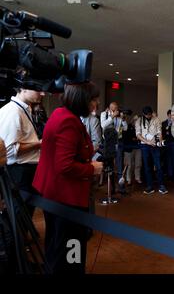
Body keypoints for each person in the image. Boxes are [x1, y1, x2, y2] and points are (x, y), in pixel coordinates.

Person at [33, 82, 103, 274]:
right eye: (93, 99)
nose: (96, 103)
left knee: (57, 246)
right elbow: (64, 165)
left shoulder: (59, 114)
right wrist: (91, 168)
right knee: (71, 249)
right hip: (65, 197)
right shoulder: (69, 121)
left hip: (54, 195)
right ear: (83, 100)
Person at [0, 88, 45, 218]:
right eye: (38, 89)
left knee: (23, 215)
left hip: (25, 171)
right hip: (19, 172)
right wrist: (40, 143)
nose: (42, 94)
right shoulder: (13, 111)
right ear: (24, 88)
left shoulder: (23, 109)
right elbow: (9, 150)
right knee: (17, 216)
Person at [135, 106, 167, 195]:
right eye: (147, 115)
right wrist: (147, 142)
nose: (149, 116)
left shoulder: (156, 119)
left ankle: (161, 186)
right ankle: (150, 186)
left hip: (155, 146)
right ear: (144, 114)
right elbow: (138, 135)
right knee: (147, 167)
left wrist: (159, 140)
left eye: (150, 114)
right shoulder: (139, 121)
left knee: (158, 165)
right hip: (145, 146)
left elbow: (159, 132)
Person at [100, 102, 127, 192]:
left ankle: (121, 188)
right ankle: (111, 188)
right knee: (110, 165)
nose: (115, 110)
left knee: (120, 165)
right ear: (110, 108)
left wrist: (123, 119)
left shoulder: (120, 116)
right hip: (108, 143)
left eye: (116, 108)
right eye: (113, 108)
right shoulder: (104, 114)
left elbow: (125, 128)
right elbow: (103, 125)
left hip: (118, 141)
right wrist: (112, 116)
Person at [122, 113, 142, 187]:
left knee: (138, 164)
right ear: (133, 120)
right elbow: (126, 137)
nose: (137, 122)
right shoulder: (128, 127)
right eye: (136, 121)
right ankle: (128, 179)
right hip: (128, 149)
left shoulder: (140, 128)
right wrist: (134, 139)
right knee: (129, 165)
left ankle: (137, 178)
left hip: (138, 148)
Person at [162, 110, 174, 182]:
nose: (172, 116)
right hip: (167, 144)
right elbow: (162, 134)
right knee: (169, 160)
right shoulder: (164, 123)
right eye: (171, 115)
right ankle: (170, 175)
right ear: (168, 115)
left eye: (173, 115)